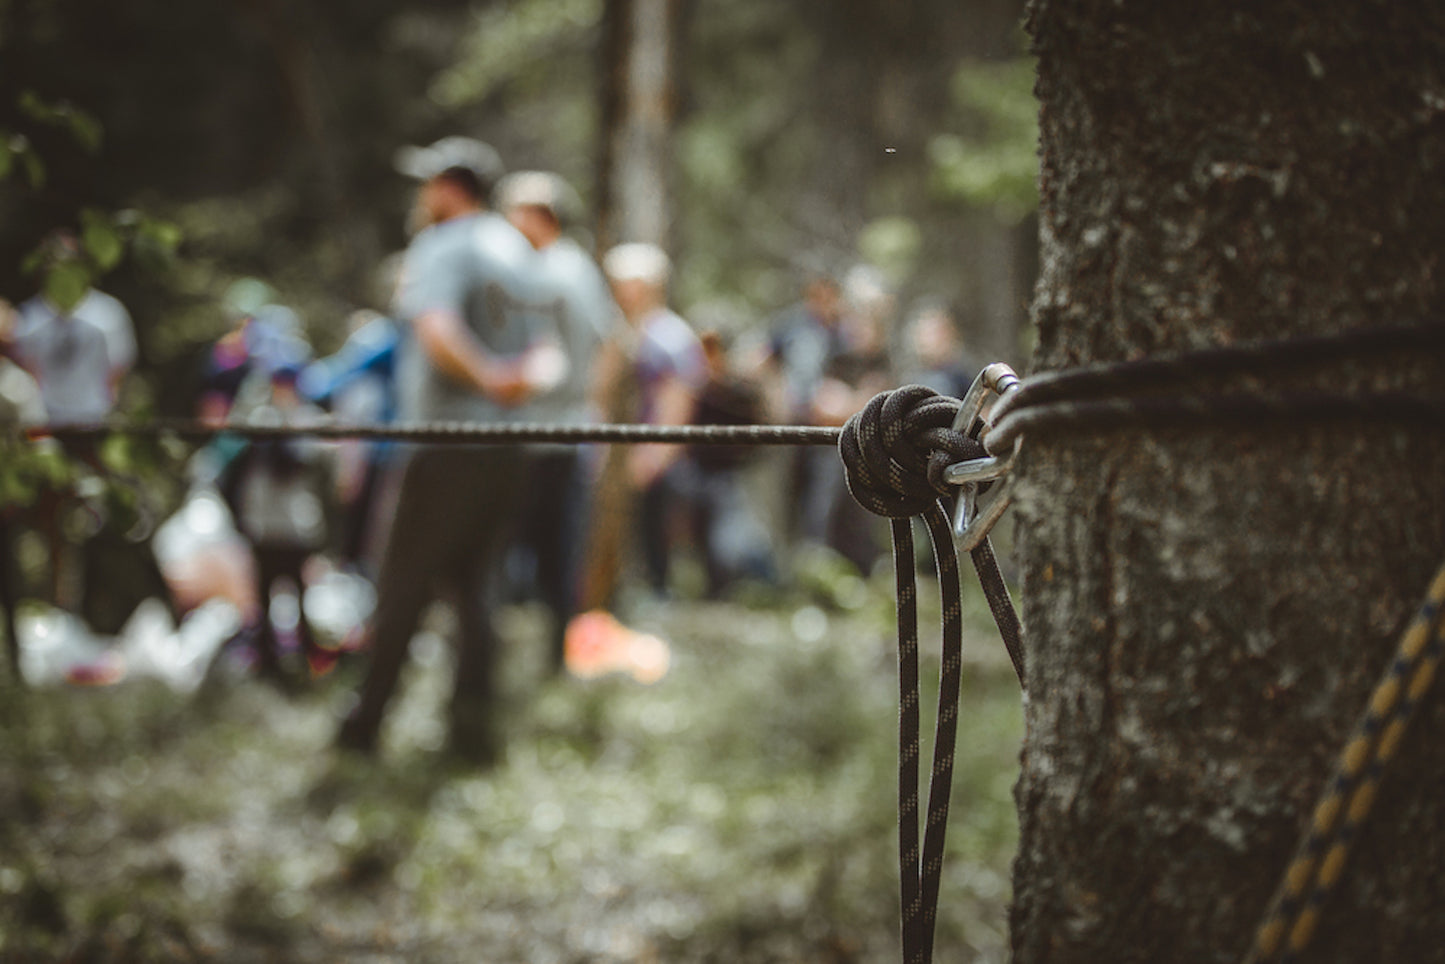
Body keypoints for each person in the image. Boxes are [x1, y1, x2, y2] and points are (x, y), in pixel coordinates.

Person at [336, 135, 558, 763]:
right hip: (508, 445)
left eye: (427, 184)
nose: (421, 197)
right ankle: (472, 730)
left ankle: (364, 727)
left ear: (449, 188)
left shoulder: (442, 244)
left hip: (443, 441)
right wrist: (516, 386)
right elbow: (548, 352)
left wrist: (487, 377)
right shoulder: (517, 248)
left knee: (403, 582)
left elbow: (435, 329)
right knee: (475, 586)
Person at [497, 170, 620, 672]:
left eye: (515, 211)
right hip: (538, 435)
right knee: (535, 550)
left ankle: (553, 662)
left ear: (539, 215)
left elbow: (613, 344)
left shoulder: (565, 269)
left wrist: (589, 407)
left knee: (553, 550)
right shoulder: (550, 267)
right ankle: (534, 661)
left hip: (558, 435)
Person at [597, 242, 706, 598]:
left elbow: (677, 400)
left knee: (654, 536)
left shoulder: (671, 337)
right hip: (619, 456)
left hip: (653, 459)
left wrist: (653, 456)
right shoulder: (621, 331)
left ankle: (657, 598)